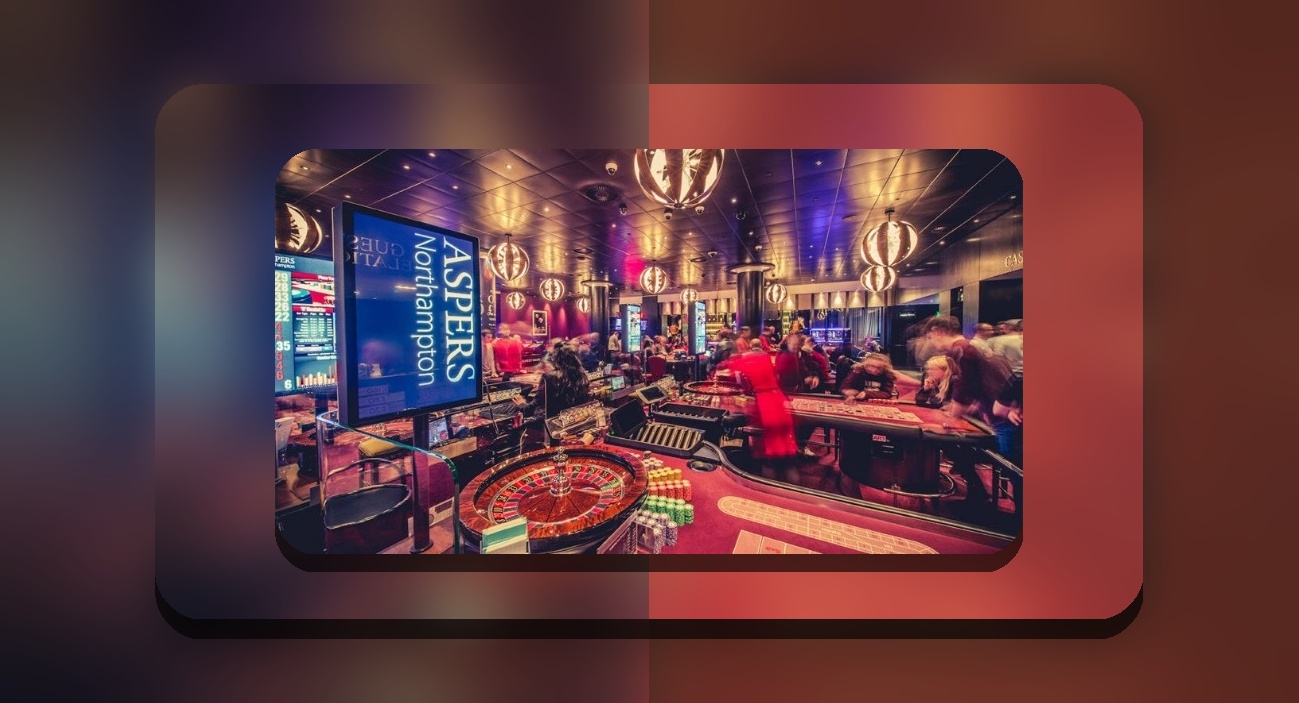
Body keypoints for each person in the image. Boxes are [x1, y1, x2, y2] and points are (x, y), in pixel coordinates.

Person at [920, 315, 1014, 503]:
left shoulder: (962, 350)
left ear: (938, 332)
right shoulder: (975, 346)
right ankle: (978, 495)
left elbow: (964, 391)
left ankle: (988, 505)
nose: (931, 342)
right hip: (1004, 413)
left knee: (1014, 471)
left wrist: (947, 423)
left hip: (1004, 418)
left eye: (930, 337)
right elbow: (985, 383)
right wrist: (971, 407)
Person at [716, 347, 797, 460]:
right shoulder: (765, 358)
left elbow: (721, 367)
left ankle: (762, 465)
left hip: (765, 404)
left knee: (766, 451)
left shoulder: (743, 361)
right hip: (779, 399)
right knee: (785, 450)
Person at [539, 345, 593, 418]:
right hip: (578, 417)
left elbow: (539, 403)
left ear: (556, 360)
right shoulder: (581, 374)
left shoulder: (549, 377)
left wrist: (523, 406)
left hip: (556, 420)